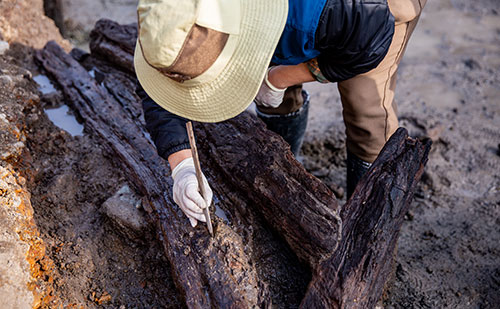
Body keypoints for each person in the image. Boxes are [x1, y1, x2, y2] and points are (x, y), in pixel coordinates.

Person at [134, 0, 426, 227]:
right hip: (301, 19)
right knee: (267, 83)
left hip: (371, 15)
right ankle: (286, 167)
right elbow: (160, 82)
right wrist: (182, 166)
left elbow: (369, 44)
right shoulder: (174, 13)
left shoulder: (328, 13)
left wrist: (279, 78)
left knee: (367, 113)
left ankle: (367, 229)